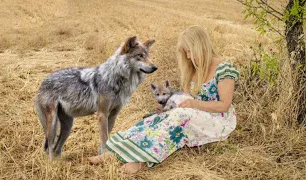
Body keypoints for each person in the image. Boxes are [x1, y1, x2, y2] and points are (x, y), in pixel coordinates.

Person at [88, 25, 239, 174]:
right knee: (156, 118)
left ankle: (141, 160)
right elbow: (186, 99)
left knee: (179, 117)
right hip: (195, 113)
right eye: (185, 52)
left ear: (200, 46)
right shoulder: (194, 69)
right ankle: (116, 151)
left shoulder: (224, 69)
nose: (187, 56)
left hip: (217, 119)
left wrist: (193, 104)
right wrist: (168, 107)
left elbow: (224, 105)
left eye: (189, 51)